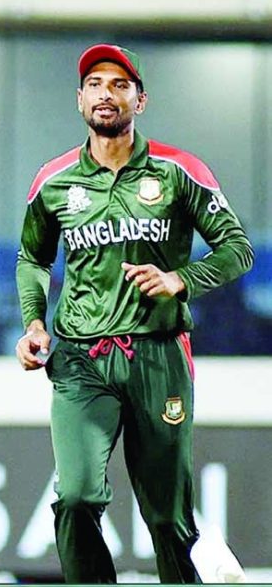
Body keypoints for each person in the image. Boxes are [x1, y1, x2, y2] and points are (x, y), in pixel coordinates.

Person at [15, 43, 254, 583]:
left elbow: (237, 248)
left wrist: (181, 280)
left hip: (158, 356)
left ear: (140, 100)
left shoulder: (178, 170)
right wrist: (33, 322)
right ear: (80, 100)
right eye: (95, 84)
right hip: (80, 359)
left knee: (167, 517)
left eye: (120, 85)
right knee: (75, 497)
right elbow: (33, 256)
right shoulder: (52, 180)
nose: (106, 93)